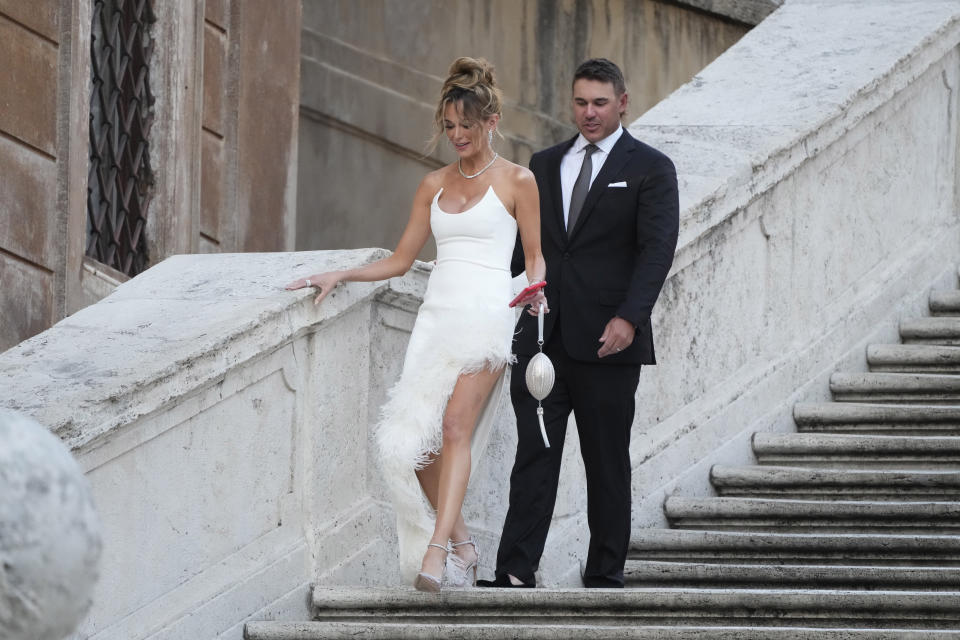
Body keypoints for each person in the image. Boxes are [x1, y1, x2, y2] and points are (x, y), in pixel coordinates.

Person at [286, 57, 547, 592]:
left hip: (490, 315)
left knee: (455, 428)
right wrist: (344, 273)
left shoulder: (520, 181)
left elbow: (536, 256)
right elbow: (402, 259)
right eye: (449, 127)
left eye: (466, 127)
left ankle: (437, 550)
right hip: (437, 319)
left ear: (491, 121)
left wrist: (536, 288)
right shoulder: (431, 184)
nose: (457, 136)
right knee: (416, 446)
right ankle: (466, 544)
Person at [479, 58, 679, 589]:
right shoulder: (542, 165)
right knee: (534, 456)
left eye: (599, 103)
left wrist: (630, 320)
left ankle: (604, 573)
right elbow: (523, 249)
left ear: (622, 103)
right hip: (542, 339)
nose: (588, 113)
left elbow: (656, 251)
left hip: (610, 342)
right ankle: (515, 571)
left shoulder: (650, 168)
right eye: (580, 102)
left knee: (606, 460)